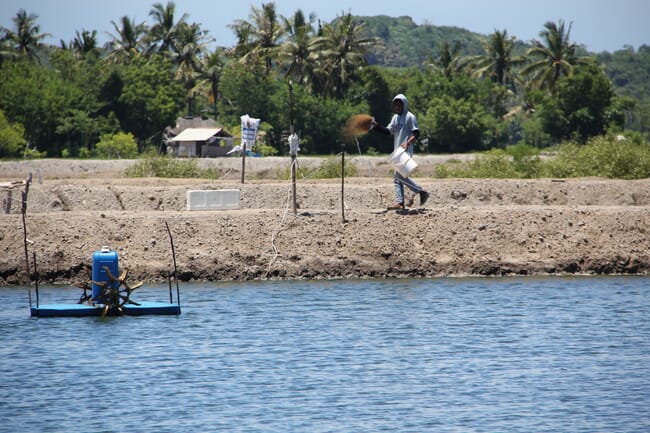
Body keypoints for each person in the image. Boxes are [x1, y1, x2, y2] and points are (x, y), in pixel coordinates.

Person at [371, 94, 429, 210]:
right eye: (395, 104)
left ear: (404, 104)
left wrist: (408, 142)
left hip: (406, 150)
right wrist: (377, 126)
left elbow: (416, 133)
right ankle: (401, 202)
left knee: (398, 175)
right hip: (398, 150)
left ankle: (420, 191)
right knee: (397, 176)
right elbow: (388, 131)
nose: (397, 107)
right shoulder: (395, 118)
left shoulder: (409, 117)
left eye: (399, 104)